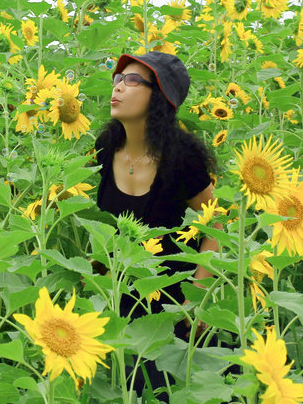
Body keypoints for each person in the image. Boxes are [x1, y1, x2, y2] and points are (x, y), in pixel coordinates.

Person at [93, 52, 219, 401]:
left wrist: (197, 298)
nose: (118, 87)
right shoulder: (105, 149)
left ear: (160, 95)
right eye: (117, 79)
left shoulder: (182, 158)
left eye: (132, 80)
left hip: (175, 310)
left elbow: (217, 225)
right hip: (119, 303)